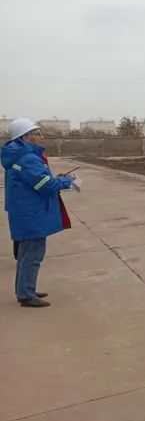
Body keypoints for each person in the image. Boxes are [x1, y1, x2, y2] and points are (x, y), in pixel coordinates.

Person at [2, 119, 76, 307]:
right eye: (37, 134)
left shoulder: (19, 156)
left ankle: (25, 290)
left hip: (25, 212)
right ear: (25, 137)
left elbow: (36, 181)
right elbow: (45, 185)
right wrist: (67, 181)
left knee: (26, 255)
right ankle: (26, 295)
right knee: (32, 255)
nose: (41, 137)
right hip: (31, 214)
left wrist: (54, 179)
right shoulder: (28, 158)